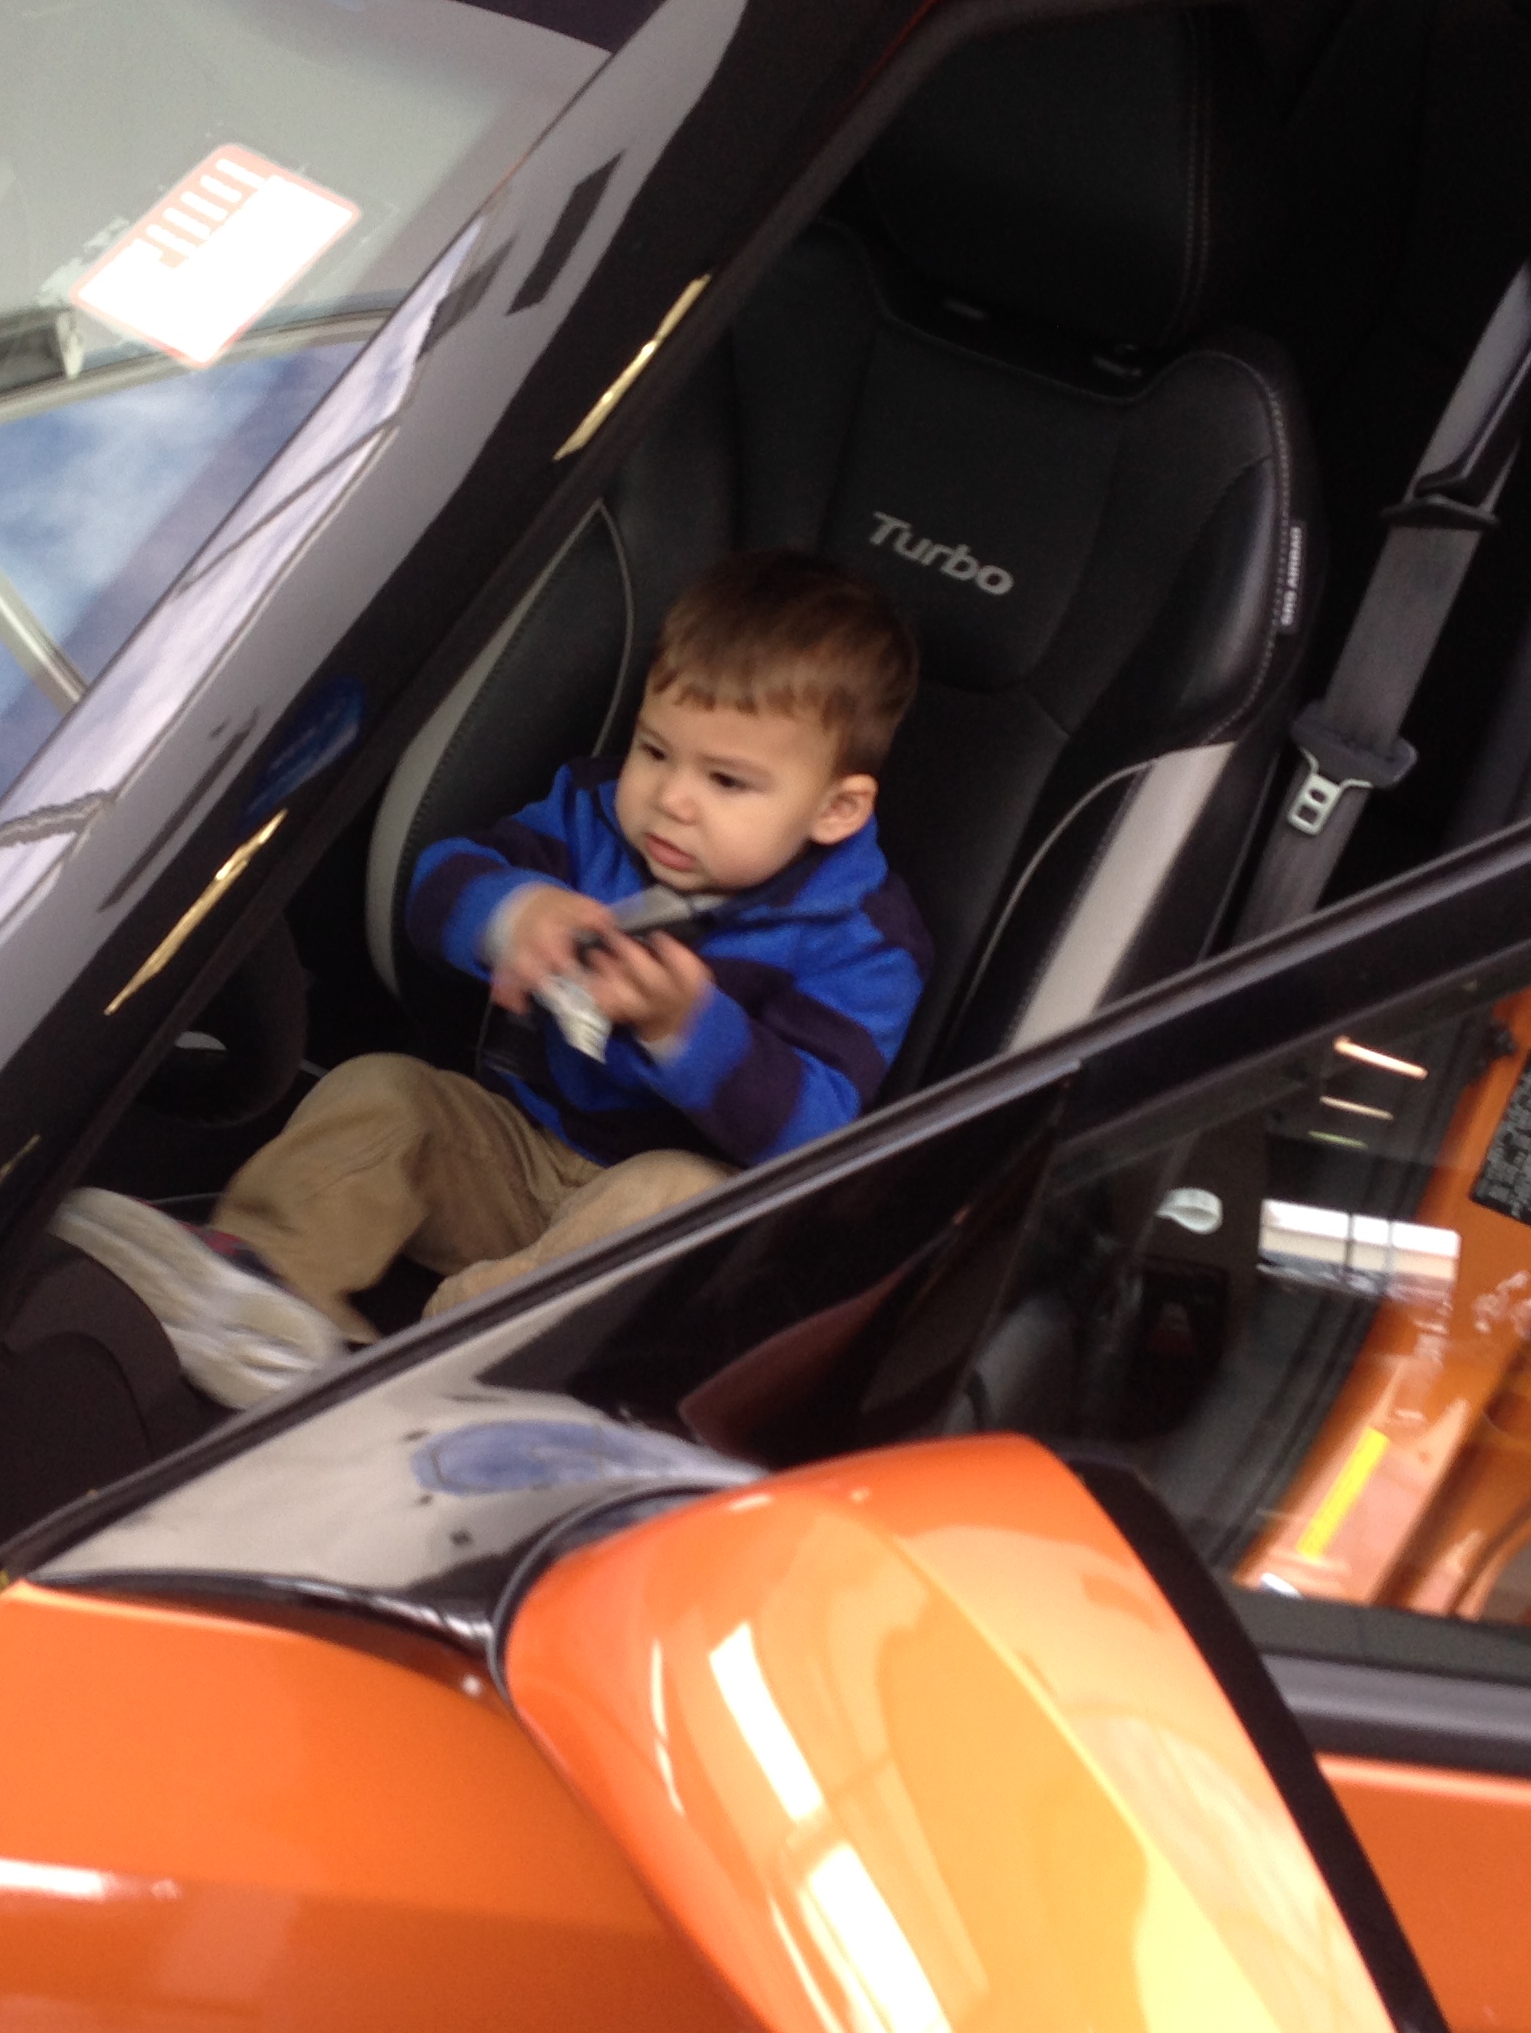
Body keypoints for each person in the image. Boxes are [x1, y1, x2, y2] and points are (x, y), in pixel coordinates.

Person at [55, 550, 928, 1403]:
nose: (672, 798)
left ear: (836, 809)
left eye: (727, 781)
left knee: (677, 1192)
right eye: (655, 751)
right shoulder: (591, 815)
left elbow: (814, 1135)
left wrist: (685, 1028)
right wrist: (515, 914)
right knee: (384, 1090)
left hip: (649, 1232)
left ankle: (461, 1356)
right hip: (514, 1152)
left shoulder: (863, 942)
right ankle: (262, 1286)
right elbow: (441, 881)